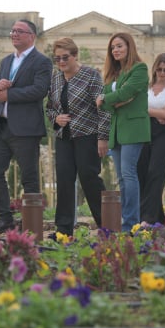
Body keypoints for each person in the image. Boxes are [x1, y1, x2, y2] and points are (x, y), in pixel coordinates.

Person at [0, 19, 53, 235]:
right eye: (12, 30)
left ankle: (32, 224)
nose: (14, 34)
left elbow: (40, 90)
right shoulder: (6, 61)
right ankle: (6, 219)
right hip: (3, 126)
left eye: (19, 31)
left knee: (29, 178)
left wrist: (9, 95)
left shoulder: (41, 61)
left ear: (31, 36)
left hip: (26, 129)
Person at [46, 38, 111, 236]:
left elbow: (104, 108)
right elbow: (49, 108)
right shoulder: (56, 79)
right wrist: (56, 118)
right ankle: (63, 231)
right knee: (64, 180)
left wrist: (103, 137)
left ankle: (107, 226)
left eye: (65, 57)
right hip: (64, 137)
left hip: (88, 135)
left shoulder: (91, 75)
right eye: (57, 58)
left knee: (88, 177)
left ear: (75, 56)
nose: (61, 62)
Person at [96, 33, 150, 232]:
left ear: (129, 47)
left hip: (134, 129)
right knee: (121, 178)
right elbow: (107, 105)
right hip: (116, 130)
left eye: (119, 46)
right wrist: (112, 100)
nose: (115, 50)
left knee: (129, 174)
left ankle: (131, 225)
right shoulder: (113, 75)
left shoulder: (139, 69)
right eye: (112, 47)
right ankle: (128, 223)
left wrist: (107, 98)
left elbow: (127, 93)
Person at [137, 53, 165, 224]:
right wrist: (156, 114)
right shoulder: (144, 87)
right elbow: (156, 112)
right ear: (154, 69)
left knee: (156, 172)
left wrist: (146, 111)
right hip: (144, 130)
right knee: (142, 172)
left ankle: (148, 218)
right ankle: (156, 216)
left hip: (163, 132)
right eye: (159, 69)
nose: (162, 73)